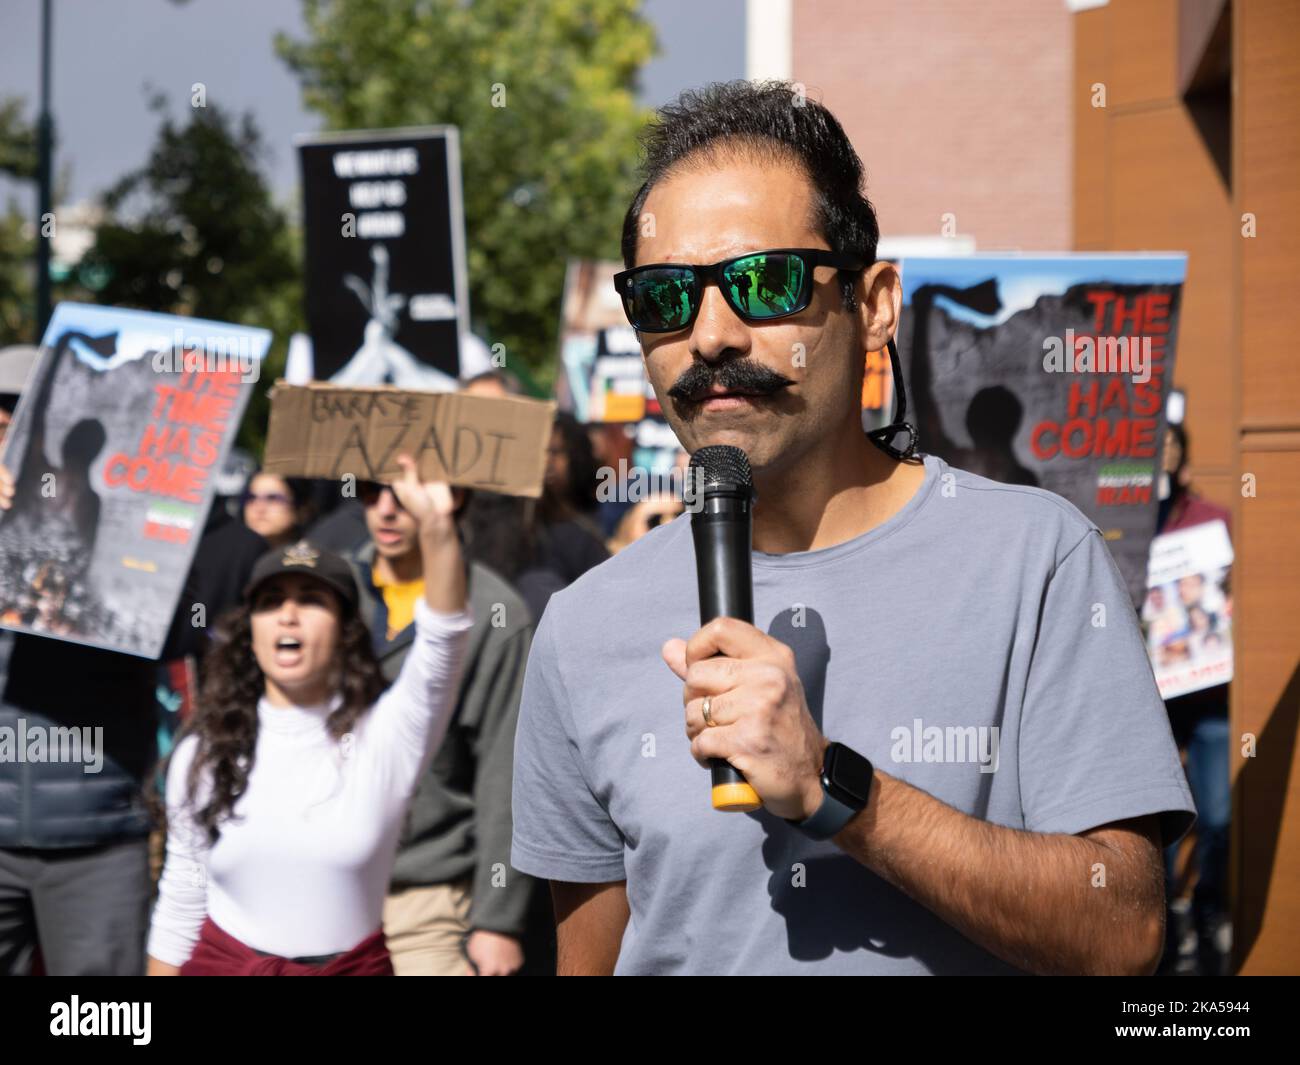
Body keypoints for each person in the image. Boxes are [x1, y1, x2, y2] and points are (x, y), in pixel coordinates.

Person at [510, 80, 1195, 976]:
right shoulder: (582, 626)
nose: (710, 333)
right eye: (666, 297)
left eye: (763, 282)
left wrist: (836, 786)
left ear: (872, 306)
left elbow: (1126, 932)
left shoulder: (1037, 559)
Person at [145, 456, 472, 975]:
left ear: (345, 629)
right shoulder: (204, 751)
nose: (289, 614)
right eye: (271, 601)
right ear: (250, 629)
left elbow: (444, 640)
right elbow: (180, 905)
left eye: (311, 599)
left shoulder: (386, 736)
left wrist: (435, 526)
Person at [352, 475, 536, 976]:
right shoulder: (328, 592)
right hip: (323, 891)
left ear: (450, 496)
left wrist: (498, 920)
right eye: (371, 490)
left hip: (428, 902)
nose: (385, 509)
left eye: (403, 494)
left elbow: (505, 773)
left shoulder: (497, 613)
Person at [1155, 422, 1232, 976]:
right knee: (1158, 820)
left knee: (1218, 815)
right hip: (1151, 695)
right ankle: (1163, 918)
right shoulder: (1134, 525)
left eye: (1171, 448)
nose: (1163, 457)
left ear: (1183, 457)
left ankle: (1207, 905)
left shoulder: (1213, 522)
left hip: (1206, 693)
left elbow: (1227, 594)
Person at [241, 470, 311, 549]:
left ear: (301, 509)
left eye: (272, 498)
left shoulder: (316, 557)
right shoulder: (233, 555)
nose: (259, 508)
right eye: (251, 497)